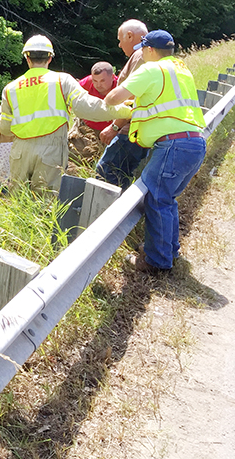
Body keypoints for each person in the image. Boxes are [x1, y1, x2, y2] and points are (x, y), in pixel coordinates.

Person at [104, 30, 205, 273]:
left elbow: (111, 98)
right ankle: (168, 251)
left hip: (172, 145)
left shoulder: (151, 69)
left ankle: (157, 261)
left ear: (149, 50)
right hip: (194, 142)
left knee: (156, 197)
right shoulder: (181, 70)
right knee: (166, 198)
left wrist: (124, 104)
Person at [0, 35, 128, 194]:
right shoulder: (62, 80)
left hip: (20, 148)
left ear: (27, 58)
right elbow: (87, 107)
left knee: (17, 197)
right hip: (51, 147)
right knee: (46, 198)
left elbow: (4, 128)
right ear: (50, 58)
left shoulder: (11, 88)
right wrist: (125, 110)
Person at [96, 19, 151, 189]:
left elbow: (133, 97)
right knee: (122, 175)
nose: (119, 45)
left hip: (130, 130)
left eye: (120, 40)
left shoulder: (141, 55)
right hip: (139, 129)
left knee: (106, 172)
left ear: (130, 35)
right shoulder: (147, 54)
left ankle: (107, 213)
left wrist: (115, 127)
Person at [78, 61, 118, 130]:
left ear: (113, 77)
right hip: (87, 128)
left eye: (102, 81)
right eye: (95, 81)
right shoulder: (87, 82)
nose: (98, 85)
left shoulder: (121, 86)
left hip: (113, 129)